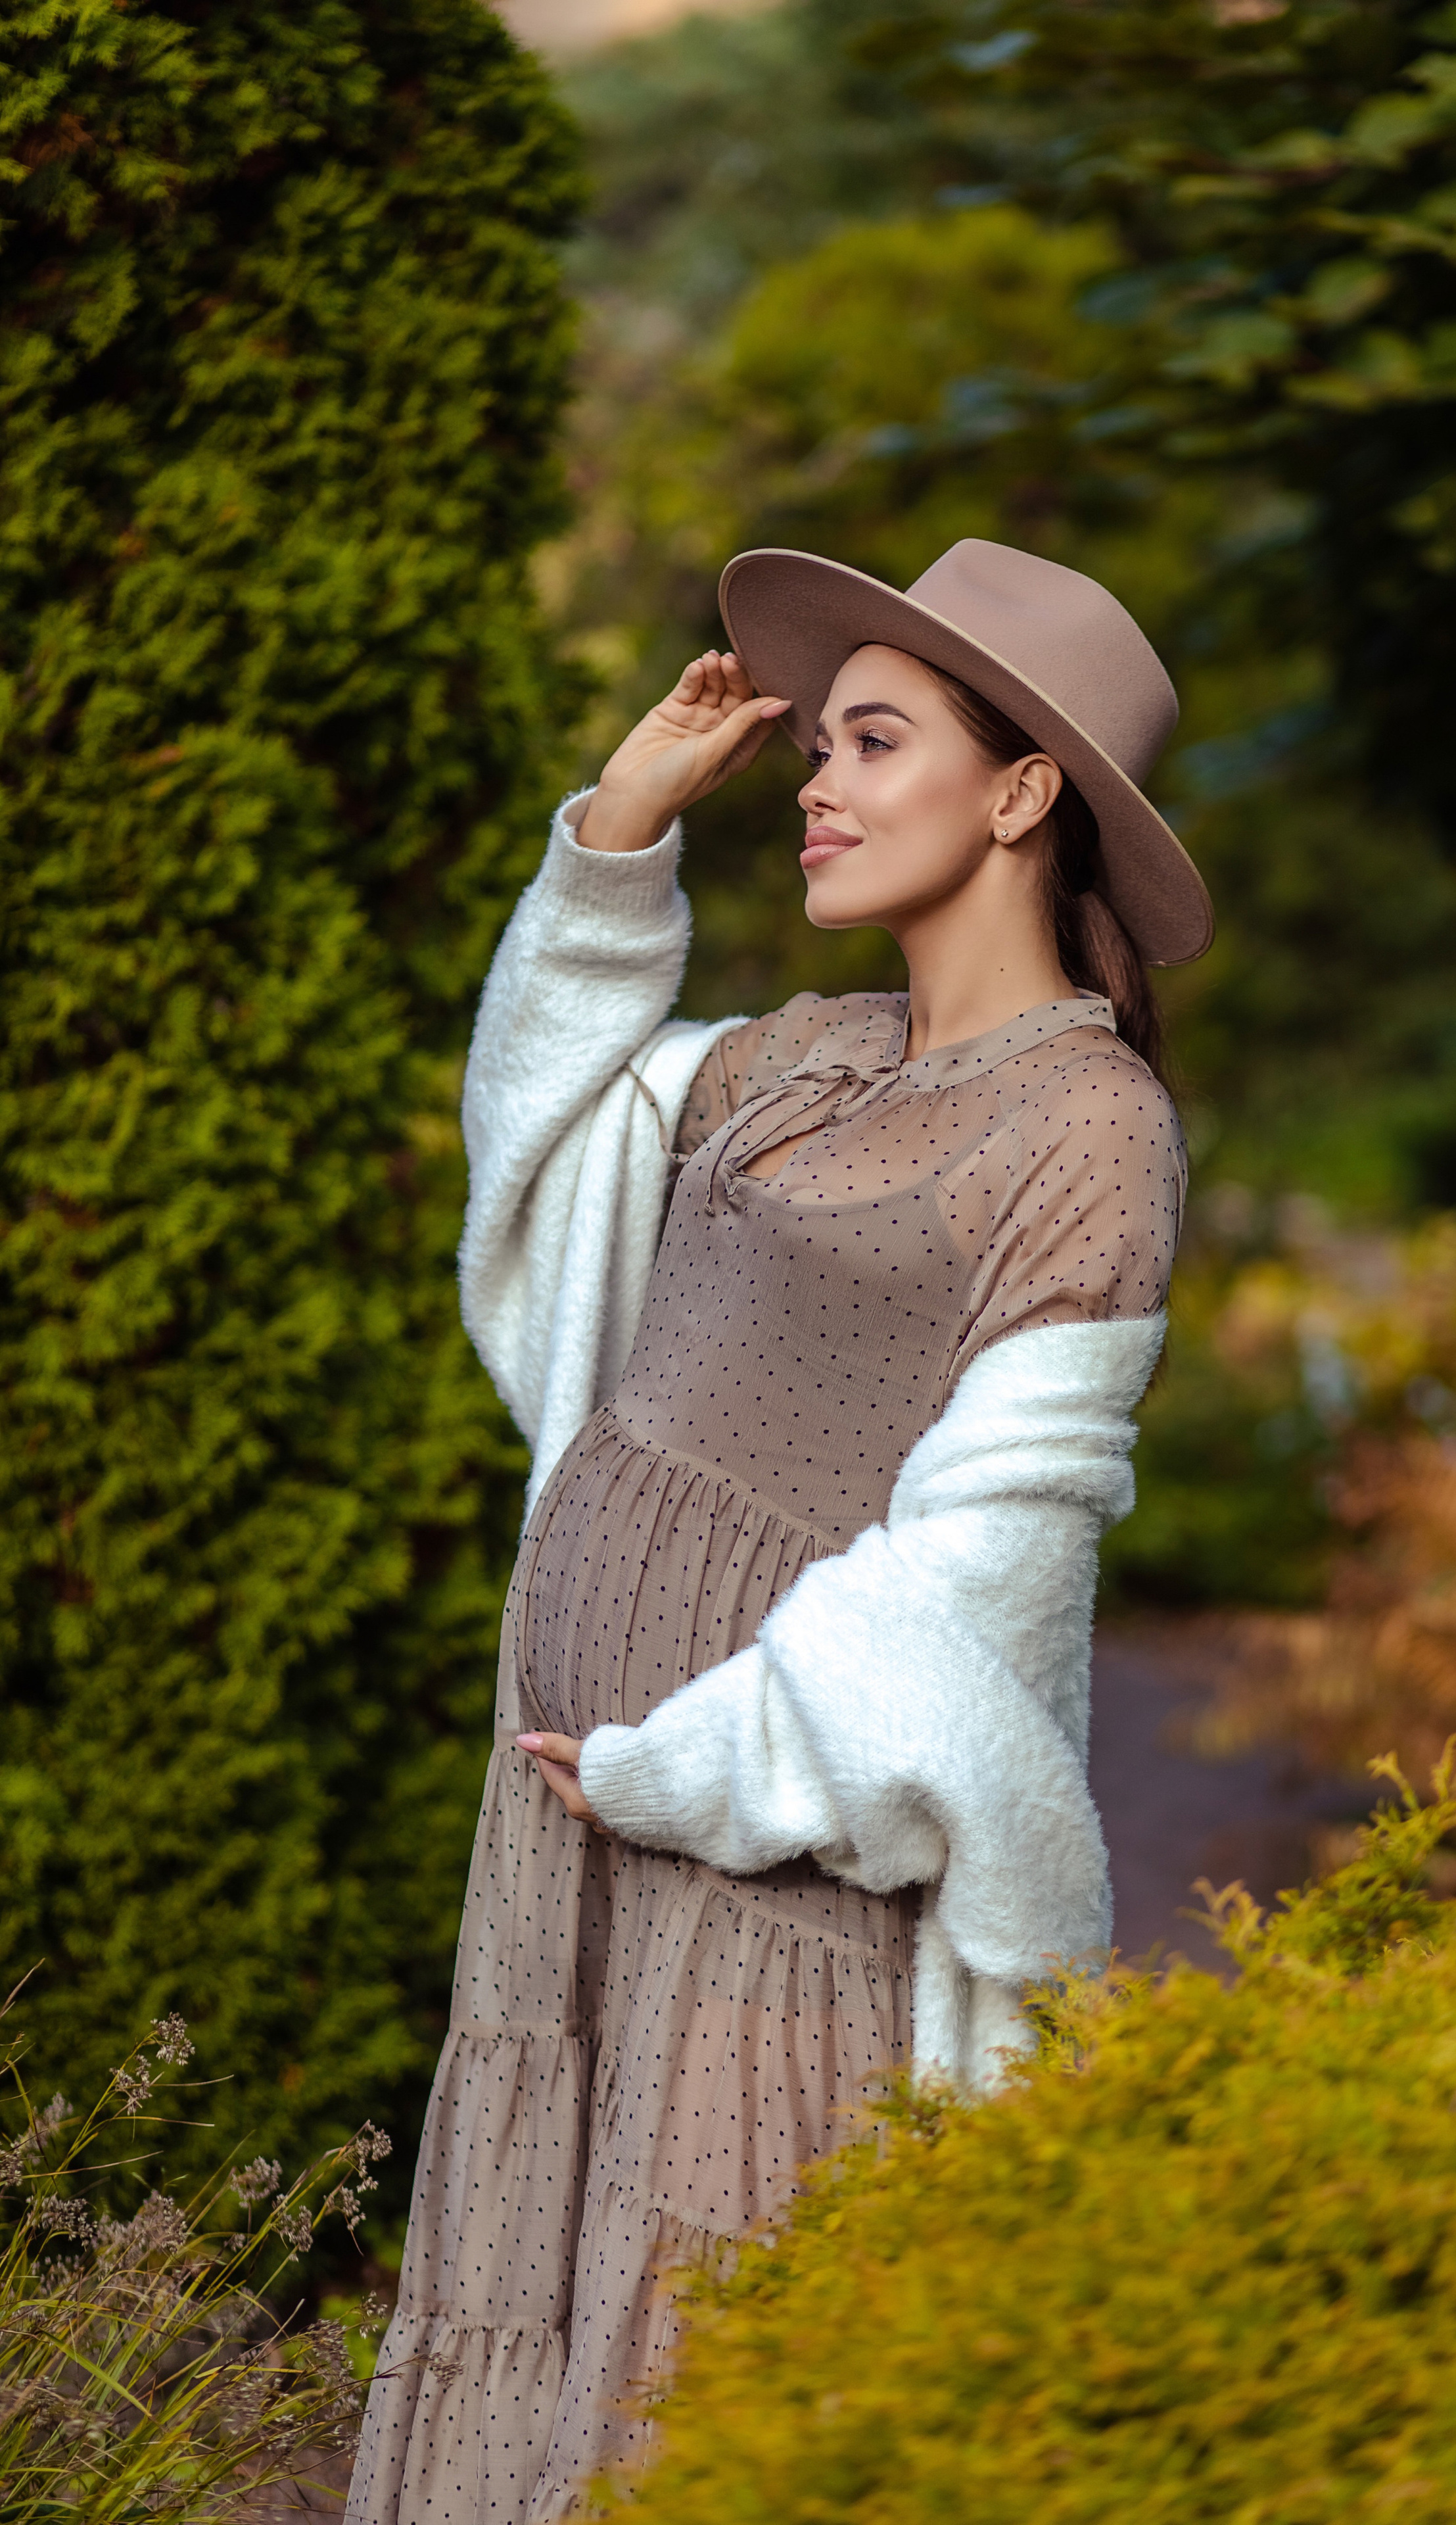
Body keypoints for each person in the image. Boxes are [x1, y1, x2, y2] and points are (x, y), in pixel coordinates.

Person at [347, 539, 1212, 2524]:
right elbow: (542, 1160)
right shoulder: (798, 1050)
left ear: (1021, 793)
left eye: (874, 740)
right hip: (570, 1816)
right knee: (546, 2299)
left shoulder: (1086, 1129)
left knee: (711, 2342)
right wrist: (616, 843)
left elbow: (988, 1566)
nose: (814, 783)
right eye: (816, 742)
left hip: (767, 1840)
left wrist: (695, 1766)